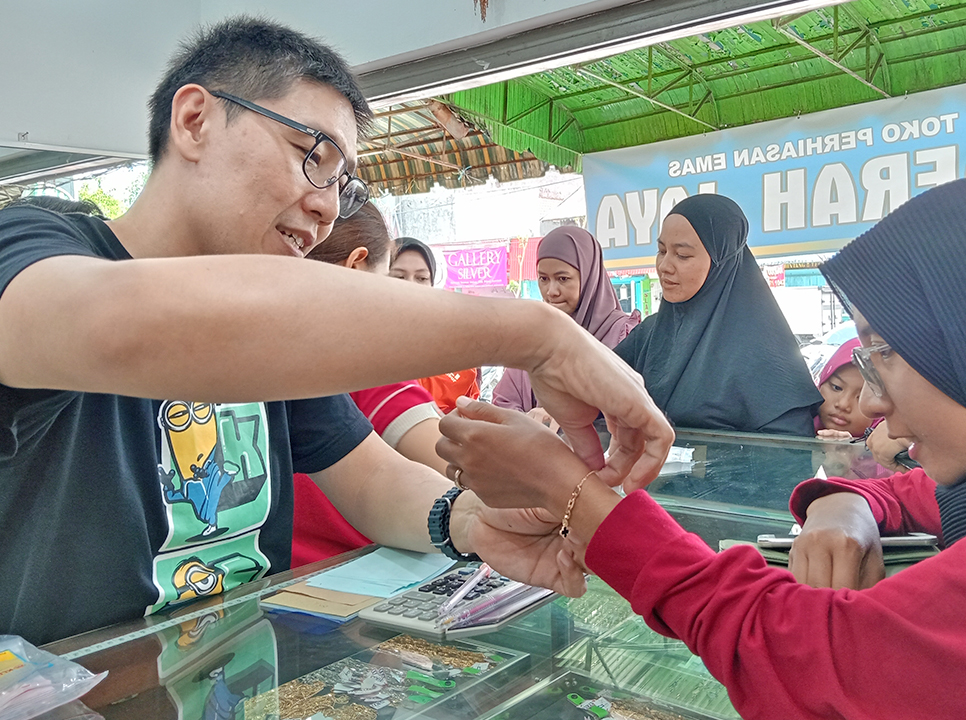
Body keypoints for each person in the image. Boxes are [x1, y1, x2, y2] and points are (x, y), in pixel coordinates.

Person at [0, 18, 672, 646]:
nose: (325, 207)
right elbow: (113, 327)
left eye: (342, 182)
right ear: (195, 119)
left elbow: (370, 477)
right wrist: (536, 334)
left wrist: (468, 521)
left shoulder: (275, 340)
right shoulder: (32, 244)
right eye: (310, 154)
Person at [437, 174, 966, 719]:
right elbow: (912, 491)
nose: (874, 403)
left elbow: (818, 656)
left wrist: (570, 493)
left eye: (884, 353)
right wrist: (843, 502)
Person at [292, 204, 447, 567]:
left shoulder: (276, 352)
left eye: (422, 279)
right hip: (356, 578)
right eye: (392, 279)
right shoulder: (364, 361)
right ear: (356, 268)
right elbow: (446, 458)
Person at [613, 194, 821, 434]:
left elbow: (787, 456)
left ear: (721, 260)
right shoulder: (648, 336)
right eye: (661, 251)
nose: (664, 266)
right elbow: (593, 391)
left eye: (682, 255)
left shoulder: (762, 352)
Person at [494, 226, 640, 428]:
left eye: (563, 279)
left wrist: (570, 415)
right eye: (543, 279)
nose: (551, 291)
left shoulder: (624, 336)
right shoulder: (531, 340)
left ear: (590, 276)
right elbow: (503, 402)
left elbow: (634, 409)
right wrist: (528, 422)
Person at [390, 237, 482, 413]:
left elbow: (472, 410)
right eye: (399, 277)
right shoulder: (367, 347)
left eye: (421, 278)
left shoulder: (460, 350)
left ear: (432, 284)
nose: (410, 286)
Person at [814, 337, 877, 440]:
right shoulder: (793, 426)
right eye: (836, 387)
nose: (843, 405)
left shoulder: (896, 446)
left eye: (861, 397)